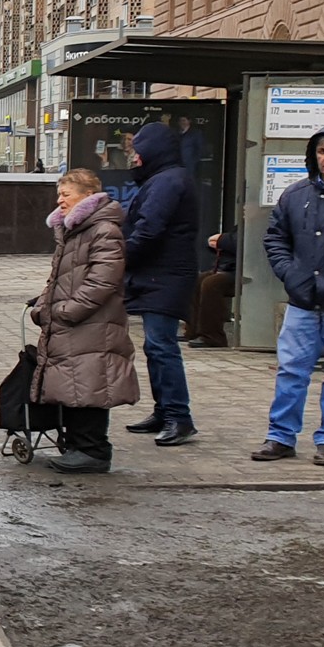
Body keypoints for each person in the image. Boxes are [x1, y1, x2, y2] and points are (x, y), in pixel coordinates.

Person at [255, 123, 324, 466]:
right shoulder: (295, 194)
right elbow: (275, 238)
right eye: (322, 151)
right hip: (303, 299)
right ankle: (280, 437)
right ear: (313, 155)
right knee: (290, 370)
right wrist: (290, 273)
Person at [31, 169, 140, 474]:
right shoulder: (75, 229)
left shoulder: (102, 229)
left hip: (92, 322)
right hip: (77, 321)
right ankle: (80, 446)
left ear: (87, 196)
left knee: (91, 382)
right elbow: (60, 278)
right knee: (75, 382)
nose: (59, 200)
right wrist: (44, 305)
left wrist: (67, 310)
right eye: (59, 194)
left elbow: (104, 280)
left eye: (66, 194)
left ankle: (93, 451)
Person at [120, 121, 201, 446]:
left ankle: (178, 417)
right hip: (159, 275)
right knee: (155, 346)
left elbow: (149, 229)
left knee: (162, 346)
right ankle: (164, 410)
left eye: (137, 151)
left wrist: (119, 258)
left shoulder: (167, 181)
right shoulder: (163, 179)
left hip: (165, 276)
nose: (134, 157)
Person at [187, 231, 237, 348]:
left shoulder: (259, 226)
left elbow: (243, 243)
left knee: (211, 284)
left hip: (242, 271)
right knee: (198, 280)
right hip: (228, 267)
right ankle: (192, 330)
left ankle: (213, 337)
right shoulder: (242, 226)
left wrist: (221, 240)